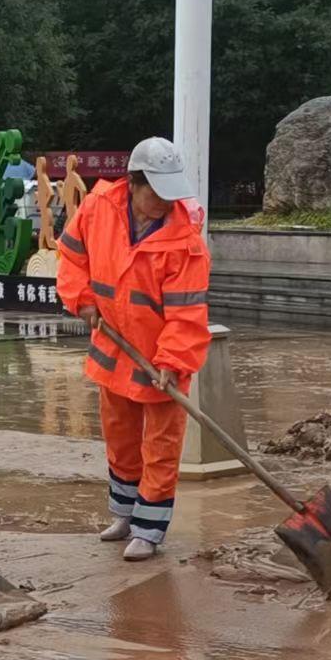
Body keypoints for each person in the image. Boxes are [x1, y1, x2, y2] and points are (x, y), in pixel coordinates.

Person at [56, 136, 212, 562]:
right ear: (133, 183)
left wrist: (173, 361)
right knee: (120, 439)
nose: (163, 202)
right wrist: (82, 299)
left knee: (160, 446)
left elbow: (187, 314)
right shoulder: (99, 208)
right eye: (155, 193)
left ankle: (149, 529)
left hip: (161, 359)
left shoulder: (185, 243)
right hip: (113, 347)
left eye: (169, 193)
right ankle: (124, 514)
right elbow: (71, 258)